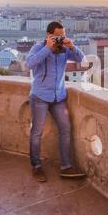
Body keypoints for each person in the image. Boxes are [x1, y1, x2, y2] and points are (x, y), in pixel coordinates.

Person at [26, 21, 86, 182]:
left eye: (63, 36)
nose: (61, 39)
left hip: (58, 97)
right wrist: (48, 48)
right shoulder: (38, 47)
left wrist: (71, 45)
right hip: (40, 96)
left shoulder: (65, 50)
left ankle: (66, 166)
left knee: (66, 128)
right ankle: (36, 166)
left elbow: (82, 59)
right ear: (49, 35)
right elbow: (29, 63)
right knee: (37, 132)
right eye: (57, 37)